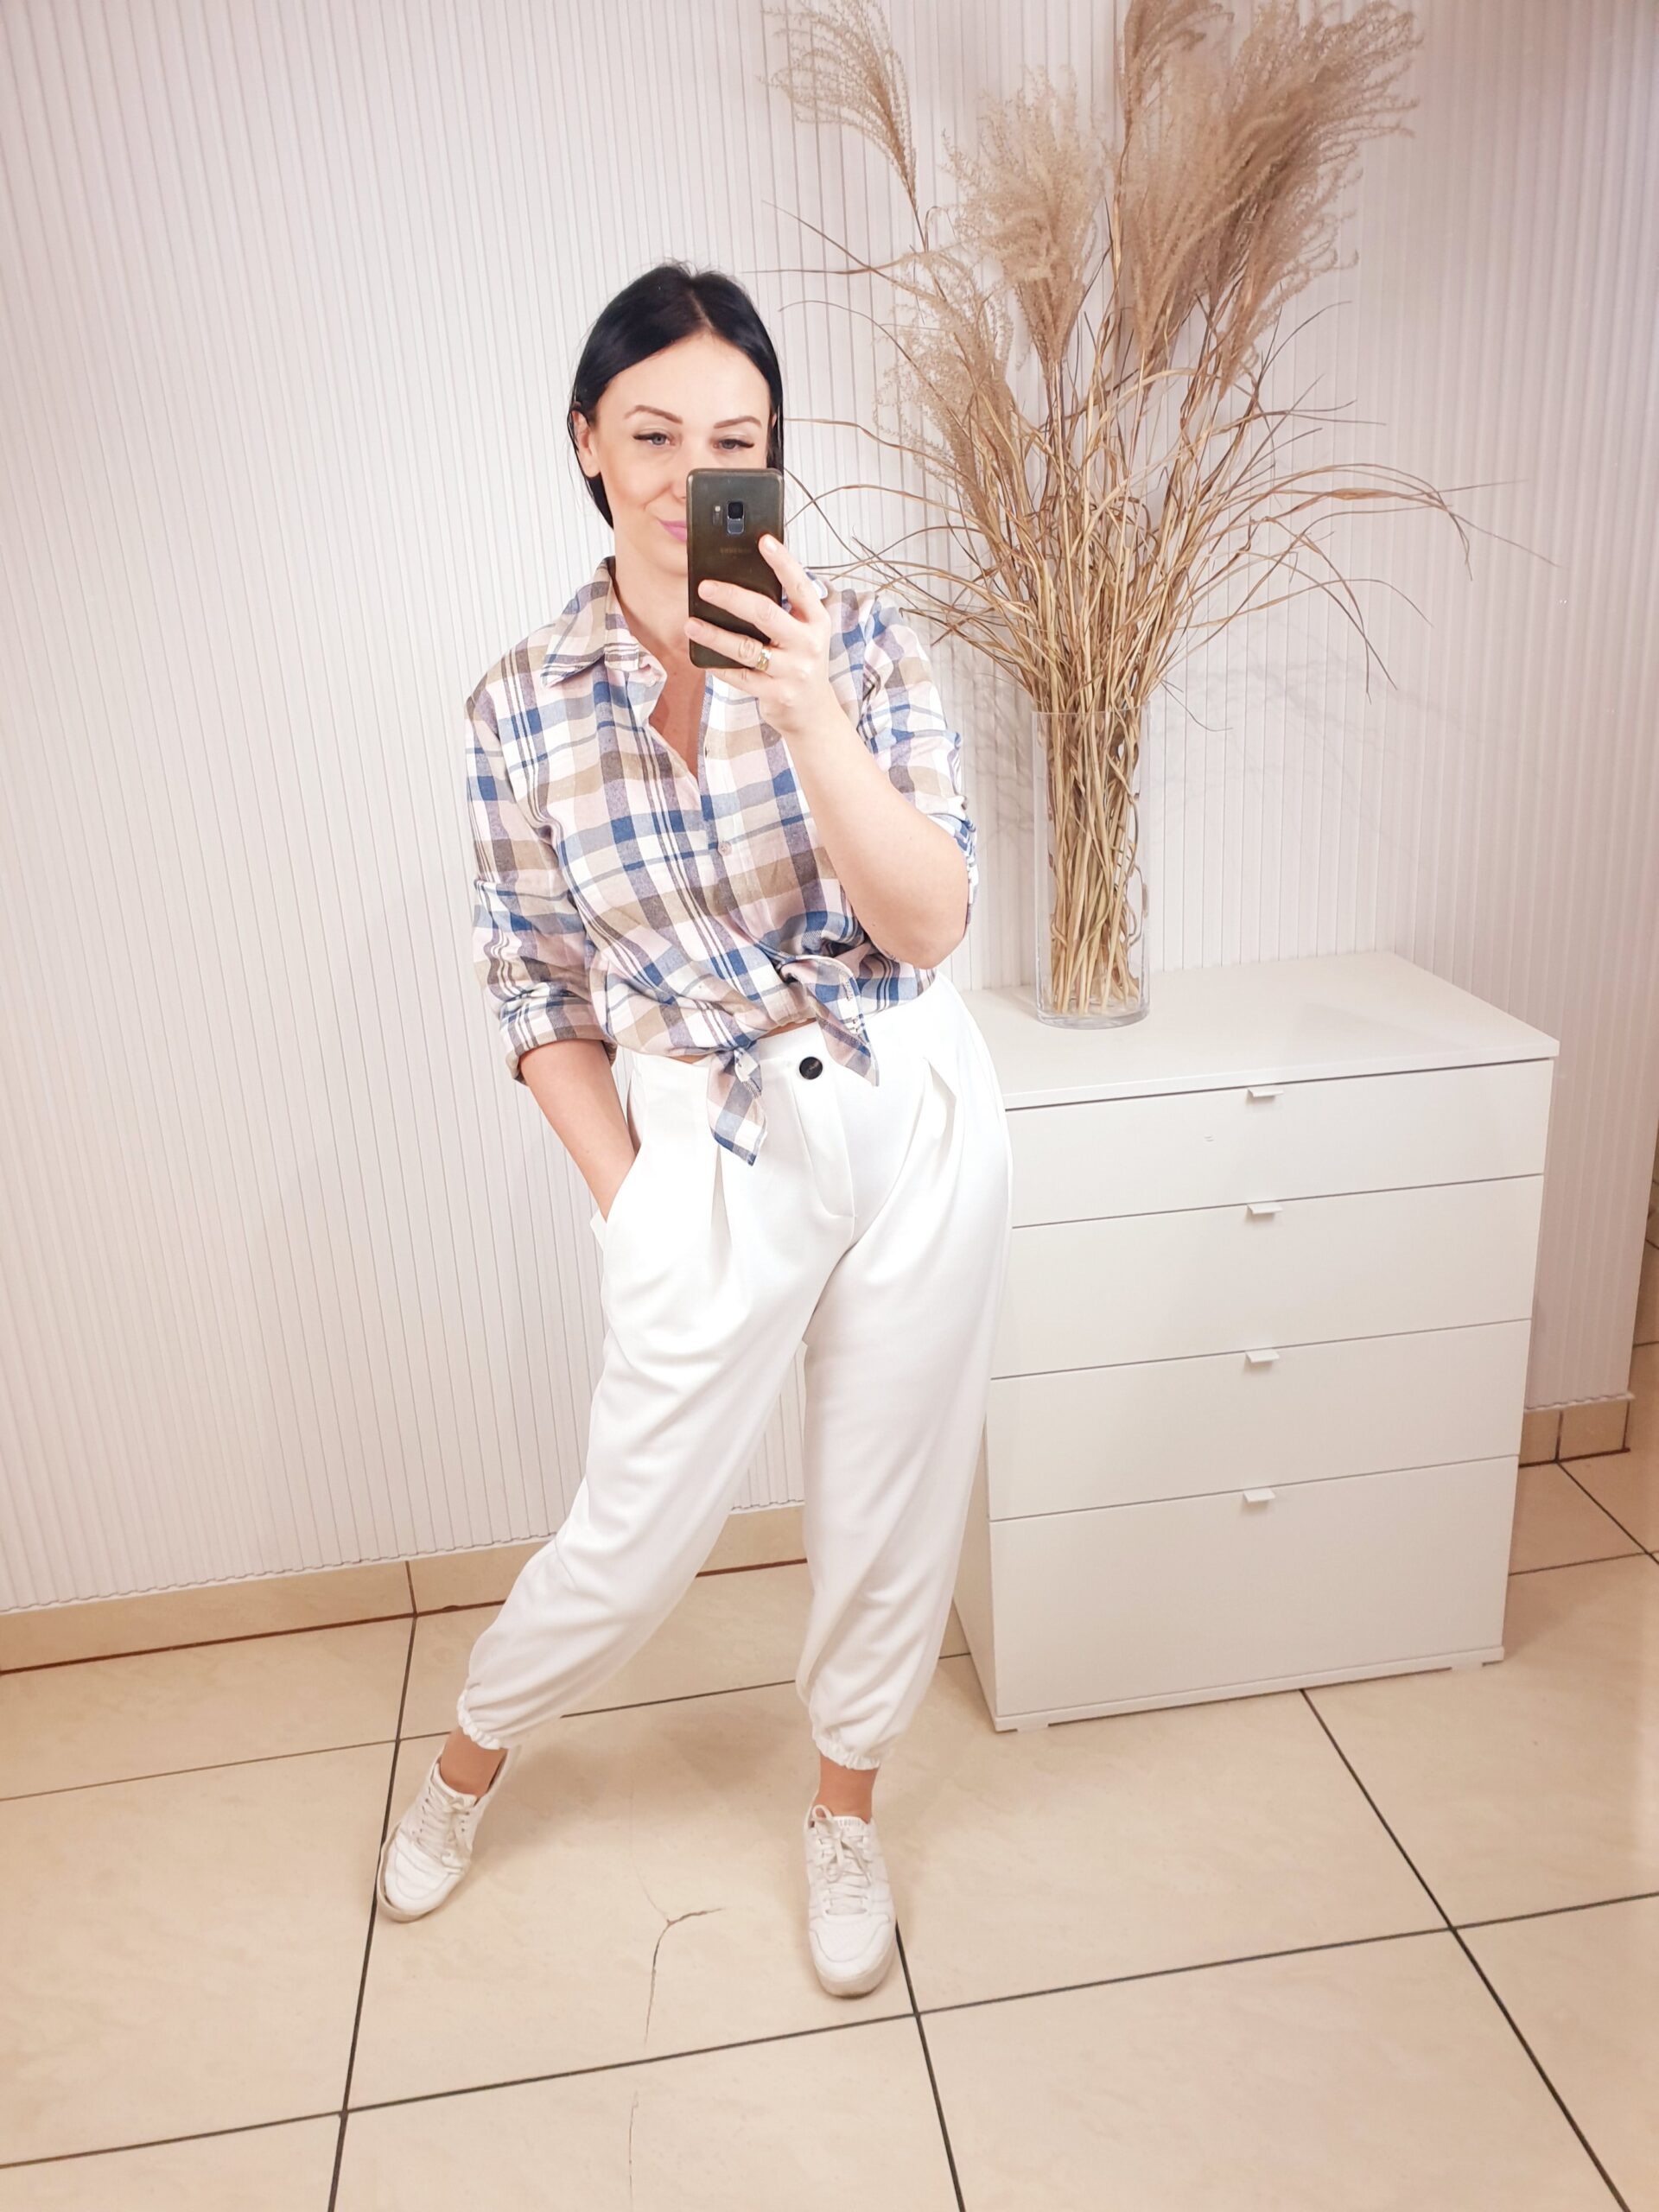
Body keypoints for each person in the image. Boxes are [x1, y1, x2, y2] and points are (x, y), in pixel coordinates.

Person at [377, 260, 1014, 1999]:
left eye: (734, 441)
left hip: (905, 1100)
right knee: (631, 1530)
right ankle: (467, 1760)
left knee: (888, 1500)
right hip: (707, 1144)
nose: (689, 474)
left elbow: (930, 921)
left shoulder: (854, 645)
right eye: (652, 433)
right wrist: (632, 1201)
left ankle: (844, 1808)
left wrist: (805, 710)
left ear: (772, 460)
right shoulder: (518, 706)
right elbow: (536, 987)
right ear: (587, 441)